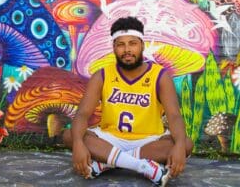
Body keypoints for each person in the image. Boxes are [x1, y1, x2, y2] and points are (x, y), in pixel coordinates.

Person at [61, 16, 193, 186]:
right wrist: (78, 143)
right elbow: (82, 114)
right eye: (121, 45)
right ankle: (141, 166)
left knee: (186, 144)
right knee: (69, 136)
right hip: (110, 138)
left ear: (142, 45)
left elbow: (174, 116)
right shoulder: (102, 75)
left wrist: (179, 145)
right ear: (114, 48)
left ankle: (106, 163)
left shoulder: (160, 76)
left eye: (132, 43)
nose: (127, 50)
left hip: (149, 140)